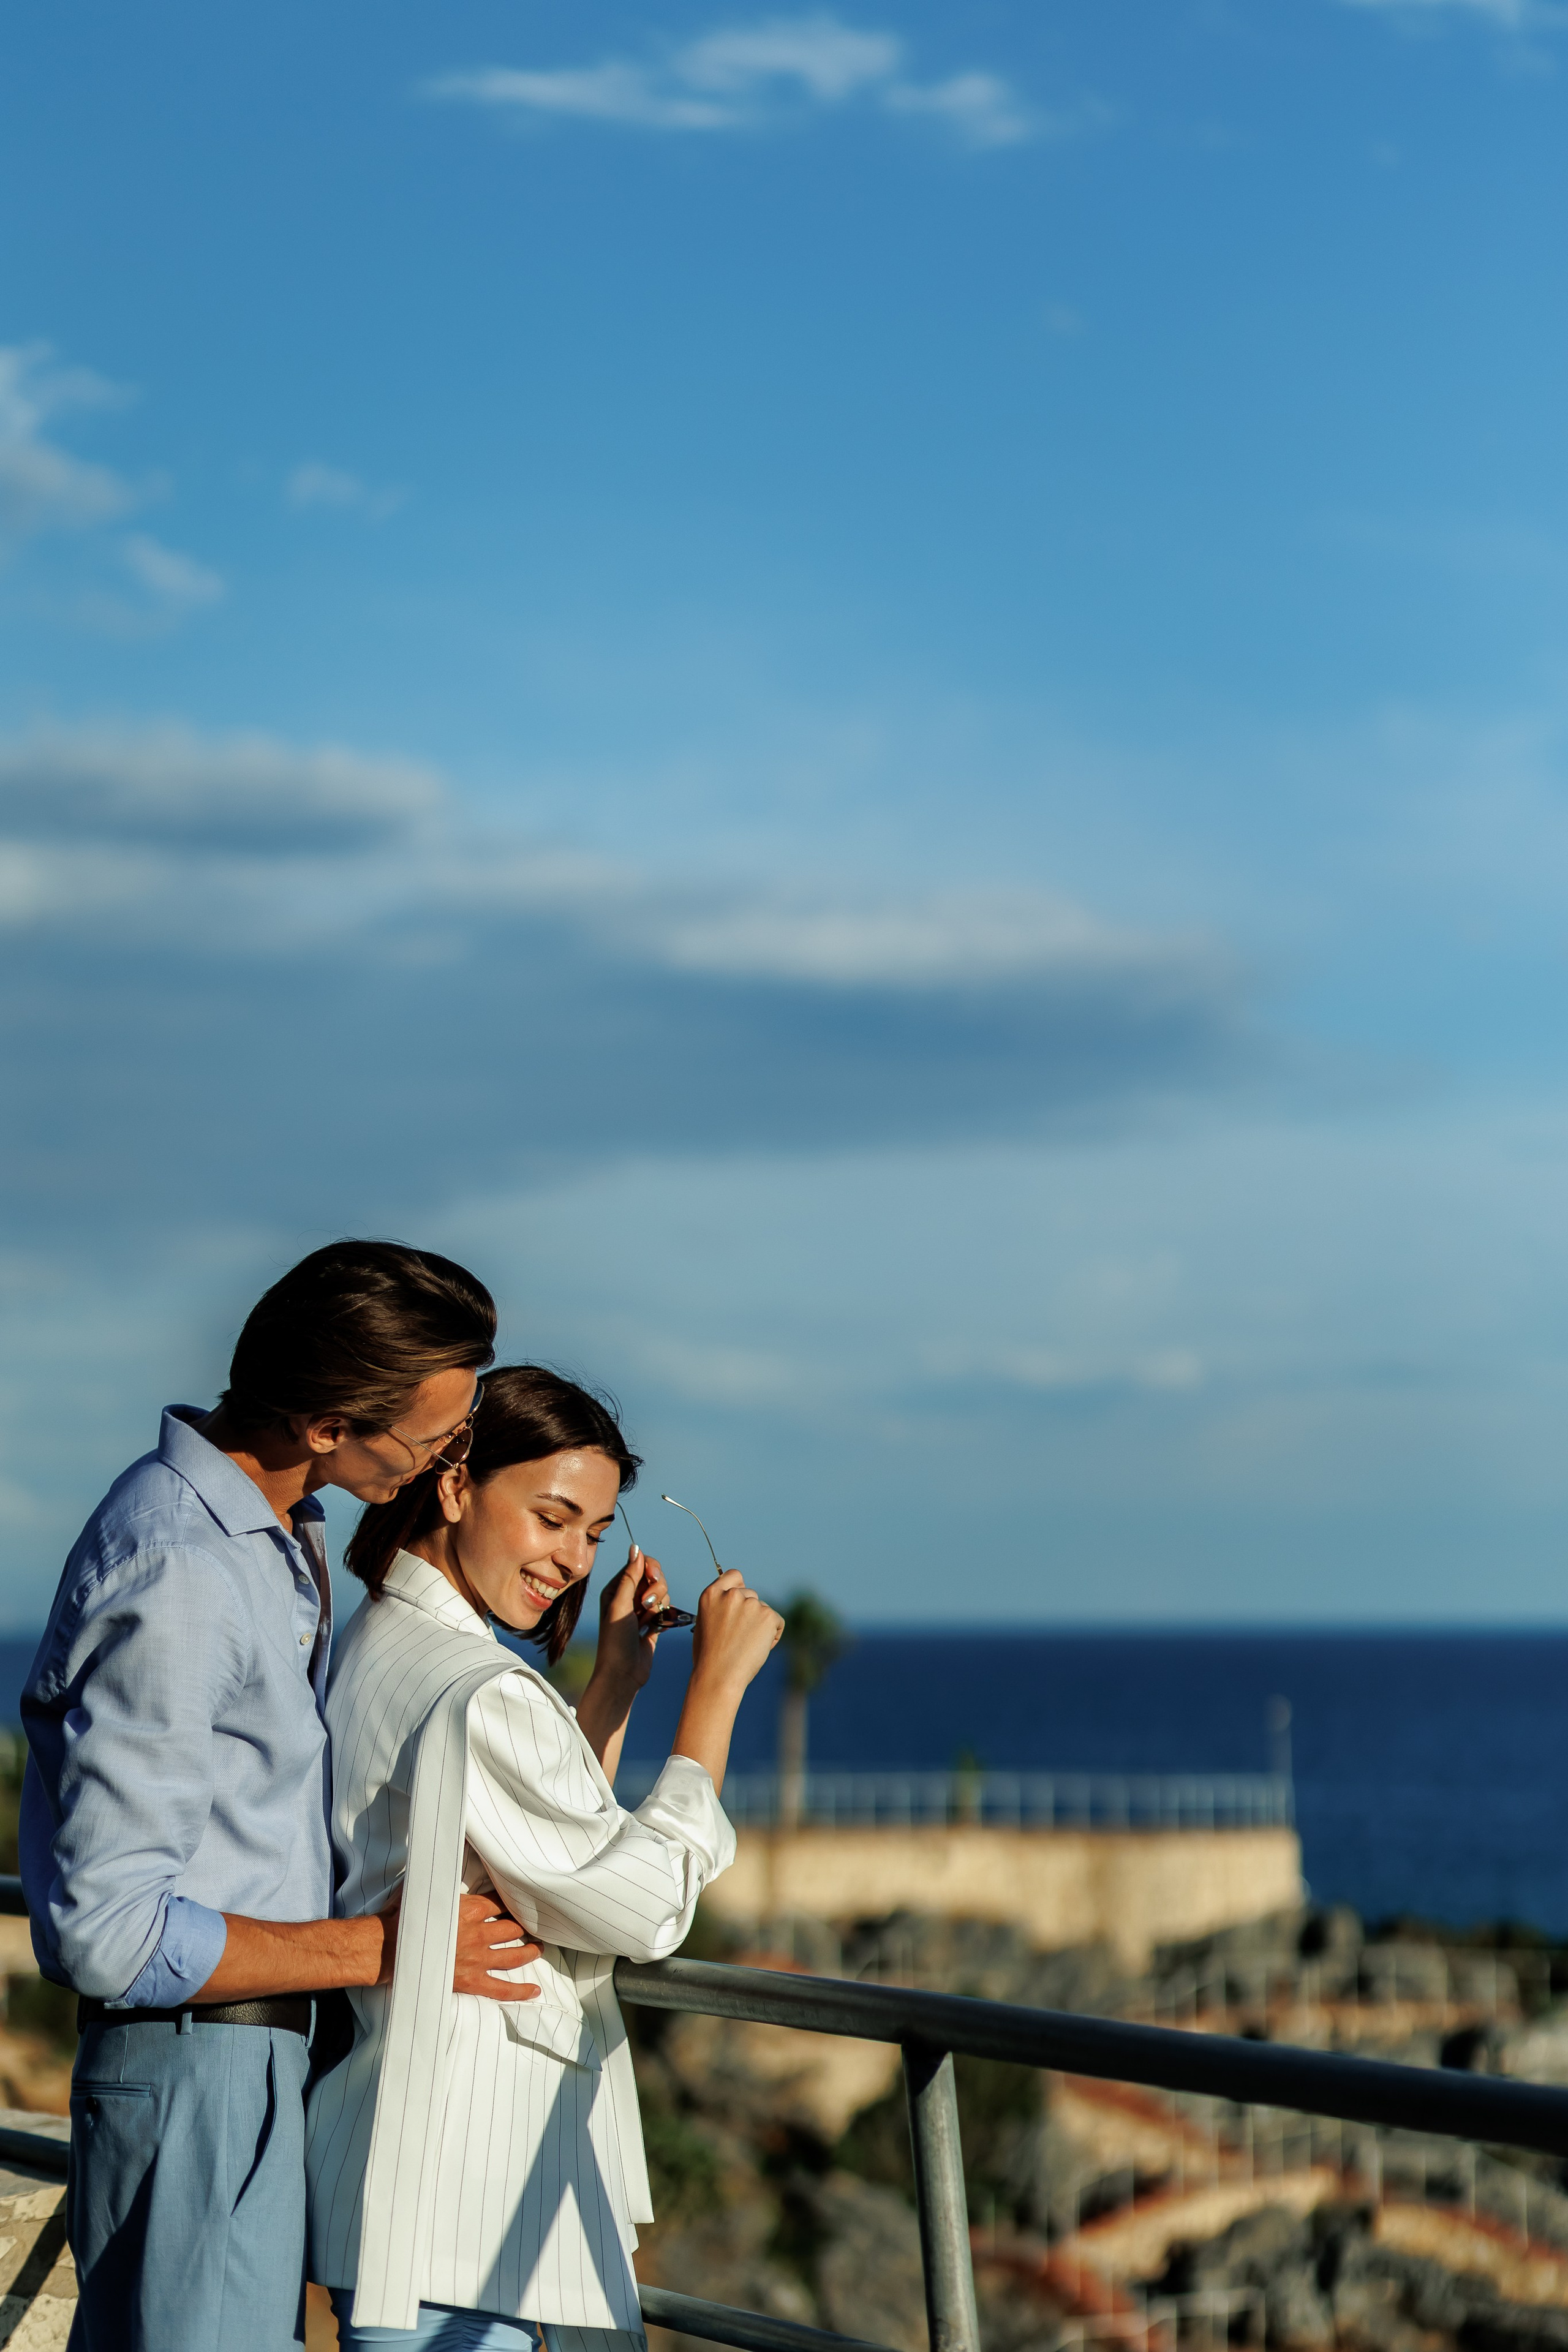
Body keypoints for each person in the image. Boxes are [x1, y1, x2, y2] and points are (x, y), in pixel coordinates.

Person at [19, 1241, 546, 2352]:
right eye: (434, 1434)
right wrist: (384, 1949)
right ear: (324, 1426)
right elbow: (109, 1931)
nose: (455, 1452)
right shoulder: (184, 1572)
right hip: (195, 2069)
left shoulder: (277, 1529)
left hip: (242, 2064)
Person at [306, 1363, 783, 2350]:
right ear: (455, 1484)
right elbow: (644, 1907)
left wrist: (612, 1686)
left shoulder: (378, 1641)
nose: (571, 1558)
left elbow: (534, 1843)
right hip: (475, 2216)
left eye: (596, 1535)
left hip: (423, 2198)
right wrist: (716, 1699)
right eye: (552, 1517)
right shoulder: (482, 1689)